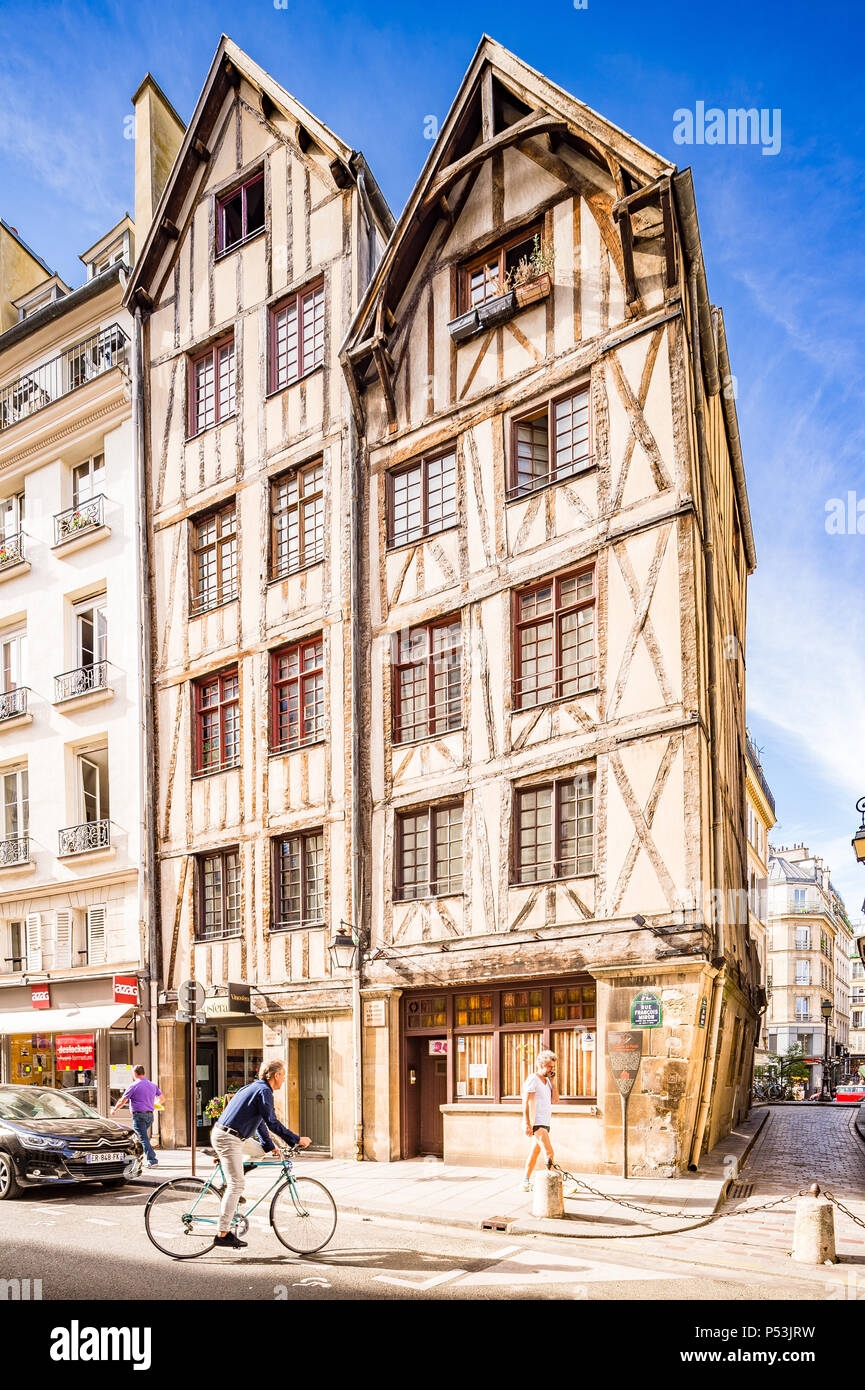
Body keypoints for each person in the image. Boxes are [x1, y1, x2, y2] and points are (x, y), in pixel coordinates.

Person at [210, 1060, 311, 1249]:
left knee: (260, 1152)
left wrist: (268, 1145)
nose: (284, 1079)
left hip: (233, 1135)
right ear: (275, 1076)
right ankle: (222, 1233)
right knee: (237, 1184)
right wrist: (296, 1139)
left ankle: (227, 1184)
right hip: (228, 1138)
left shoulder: (255, 1088)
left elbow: (261, 1122)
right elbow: (272, 1122)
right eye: (283, 1074)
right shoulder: (264, 1091)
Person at [111, 1064, 163, 1168]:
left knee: (143, 1139)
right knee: (141, 1138)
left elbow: (123, 1100)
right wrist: (154, 1105)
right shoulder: (152, 1085)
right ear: (144, 1073)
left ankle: (152, 1161)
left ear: (135, 1074)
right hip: (150, 1116)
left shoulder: (133, 1085)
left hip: (139, 1116)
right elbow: (162, 1099)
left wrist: (115, 1109)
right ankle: (138, 1159)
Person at [521, 1050, 558, 1192]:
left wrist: (553, 1082)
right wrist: (526, 1123)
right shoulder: (532, 1079)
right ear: (541, 1065)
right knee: (549, 1152)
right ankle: (555, 1185)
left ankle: (525, 1181)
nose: (552, 1070)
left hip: (546, 1121)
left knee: (535, 1152)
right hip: (537, 1122)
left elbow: (555, 1100)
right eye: (549, 1067)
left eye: (553, 1067)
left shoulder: (548, 1081)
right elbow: (525, 1102)